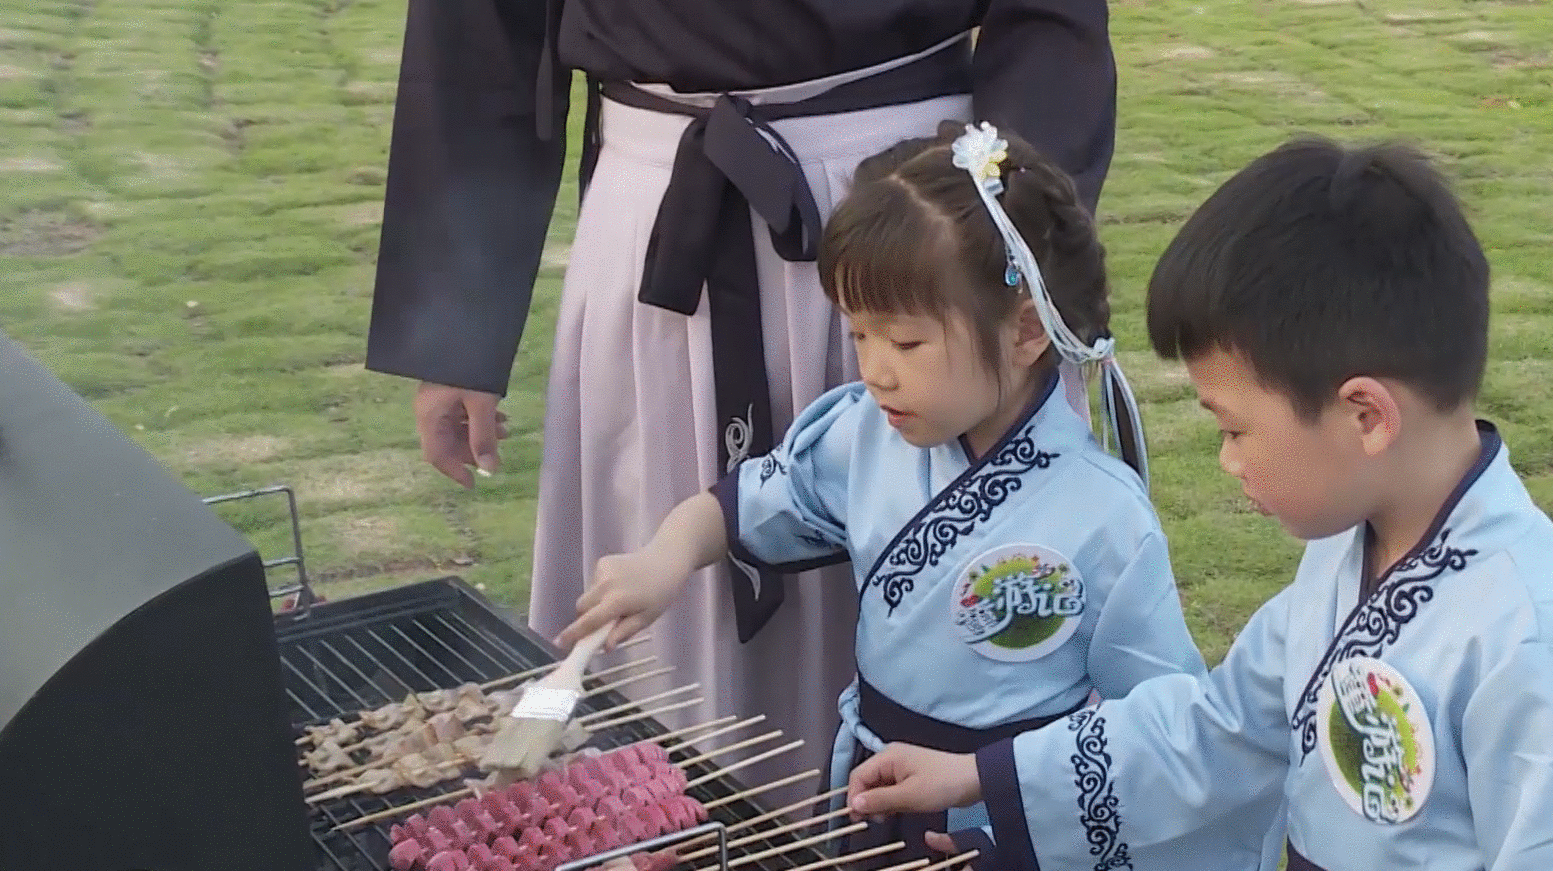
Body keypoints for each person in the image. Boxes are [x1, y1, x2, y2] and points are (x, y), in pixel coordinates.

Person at [844, 137, 1553, 871]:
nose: (1226, 463)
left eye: (1234, 429)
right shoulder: (1349, 558)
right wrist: (984, 775)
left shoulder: (1531, 647)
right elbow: (1216, 731)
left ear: (1365, 415)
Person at [555, 121, 1204, 871]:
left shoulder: (1102, 519)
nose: (874, 368)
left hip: (1010, 826)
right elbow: (748, 503)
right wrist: (663, 558)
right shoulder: (865, 436)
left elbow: (1159, 731)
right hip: (872, 802)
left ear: (1028, 330)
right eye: (859, 334)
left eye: (906, 339)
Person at [363, 1, 1119, 796]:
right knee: (664, 643)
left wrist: (1008, 238)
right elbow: (479, 27)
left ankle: (948, 853)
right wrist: (455, 315)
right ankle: (662, 866)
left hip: (914, 220)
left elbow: (1048, 18)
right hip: (656, 208)